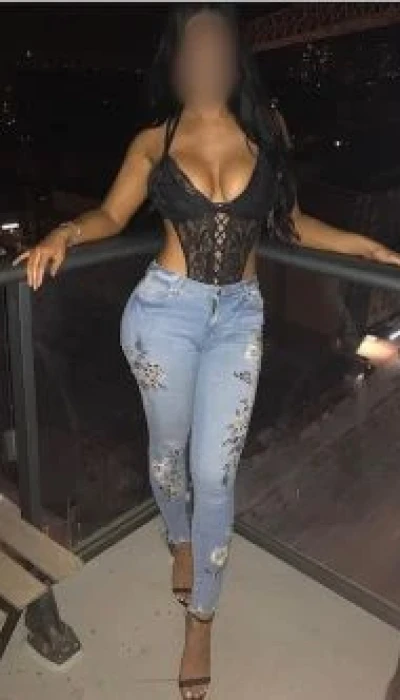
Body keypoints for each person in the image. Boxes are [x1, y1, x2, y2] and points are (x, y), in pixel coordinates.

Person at [13, 5, 400, 698]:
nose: (206, 58)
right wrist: (65, 233)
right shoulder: (153, 143)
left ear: (233, 57)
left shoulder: (267, 132)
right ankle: (180, 539)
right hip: (162, 314)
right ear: (177, 59)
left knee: (214, 475)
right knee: (168, 456)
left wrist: (368, 248)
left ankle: (201, 618)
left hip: (237, 320)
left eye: (216, 43)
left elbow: (291, 223)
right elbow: (111, 216)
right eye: (193, 46)